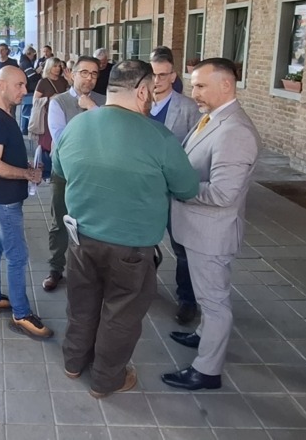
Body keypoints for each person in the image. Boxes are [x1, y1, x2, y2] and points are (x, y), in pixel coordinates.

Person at [54, 59, 199, 398]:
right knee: (120, 315)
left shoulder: (77, 125)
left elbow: (59, 169)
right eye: (152, 91)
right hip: (131, 248)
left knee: (82, 305)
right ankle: (106, 380)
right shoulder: (159, 137)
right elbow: (188, 189)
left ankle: (74, 362)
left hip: (81, 239)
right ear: (143, 92)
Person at [162, 58, 261, 391]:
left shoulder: (235, 131)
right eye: (193, 86)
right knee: (208, 297)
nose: (194, 93)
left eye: (201, 86)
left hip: (211, 233)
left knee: (215, 303)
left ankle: (206, 370)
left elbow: (223, 193)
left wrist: (178, 186)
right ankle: (203, 334)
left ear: (226, 85)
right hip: (199, 229)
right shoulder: (213, 118)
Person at [0, 66, 50, 339]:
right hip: (1, 202)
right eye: (19, 85)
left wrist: (24, 165)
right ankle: (20, 314)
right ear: (2, 85)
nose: (25, 90)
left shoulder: (4, 114)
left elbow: (4, 155)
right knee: (17, 256)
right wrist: (27, 174)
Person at [148, 47, 204, 324]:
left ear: (173, 76)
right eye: (152, 75)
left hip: (173, 190)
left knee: (181, 246)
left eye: (163, 75)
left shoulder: (188, 108)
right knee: (141, 243)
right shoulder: (137, 103)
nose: (157, 80)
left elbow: (196, 149)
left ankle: (187, 299)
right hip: (144, 189)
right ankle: (144, 286)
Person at [42, 56, 105, 291]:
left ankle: (89, 270)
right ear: (73, 73)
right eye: (84, 72)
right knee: (59, 220)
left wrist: (93, 109)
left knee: (92, 223)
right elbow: (61, 139)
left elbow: (111, 136)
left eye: (94, 74)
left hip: (95, 175)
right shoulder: (59, 102)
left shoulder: (104, 102)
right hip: (64, 173)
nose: (89, 78)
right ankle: (55, 268)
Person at [30, 57, 69, 179]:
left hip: (62, 114)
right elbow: (35, 101)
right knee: (46, 143)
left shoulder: (63, 81)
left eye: (59, 66)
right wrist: (49, 98)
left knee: (59, 141)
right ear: (49, 67)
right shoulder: (43, 82)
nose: (57, 69)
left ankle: (57, 170)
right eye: (55, 66)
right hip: (46, 116)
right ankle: (47, 173)